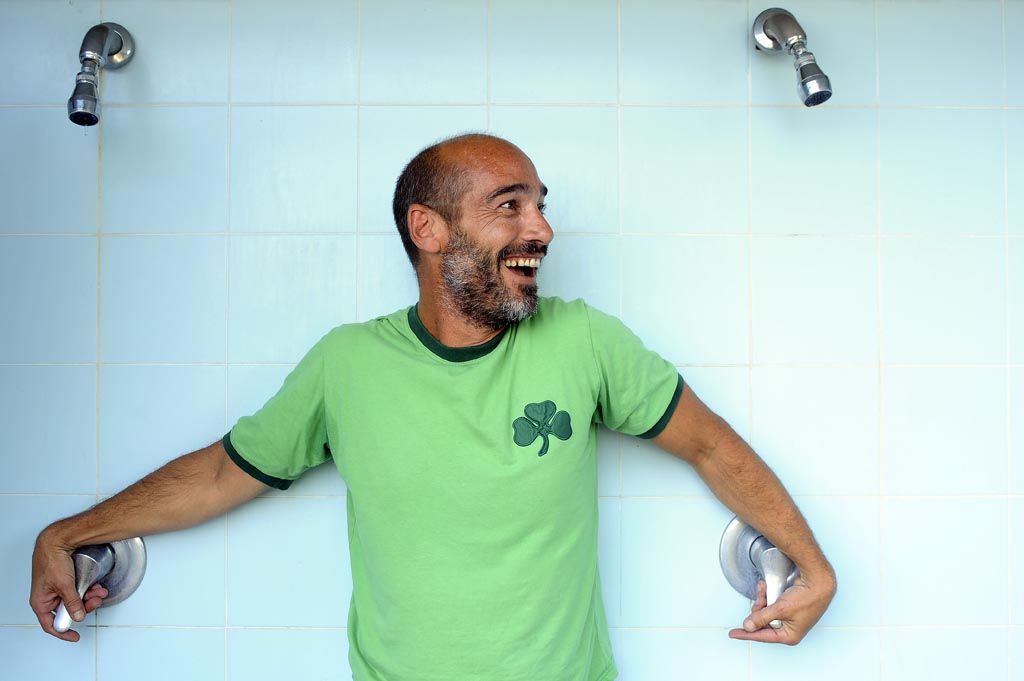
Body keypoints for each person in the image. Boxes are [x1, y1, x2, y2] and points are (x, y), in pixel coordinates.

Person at [31, 133, 836, 679]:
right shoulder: (346, 364)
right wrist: (67, 534)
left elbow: (709, 445)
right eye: (510, 204)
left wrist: (813, 564)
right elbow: (216, 473)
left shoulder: (585, 340)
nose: (543, 228)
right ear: (428, 227)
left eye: (541, 203)